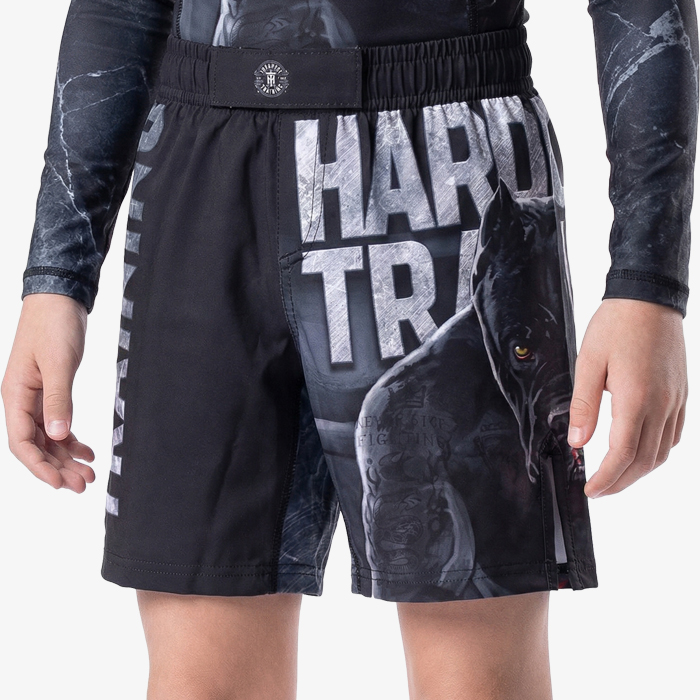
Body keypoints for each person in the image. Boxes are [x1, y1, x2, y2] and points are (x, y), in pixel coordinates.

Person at [1, 0, 695, 698]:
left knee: (476, 684)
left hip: (442, 154)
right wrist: (57, 278)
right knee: (200, 682)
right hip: (198, 164)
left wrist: (649, 281)